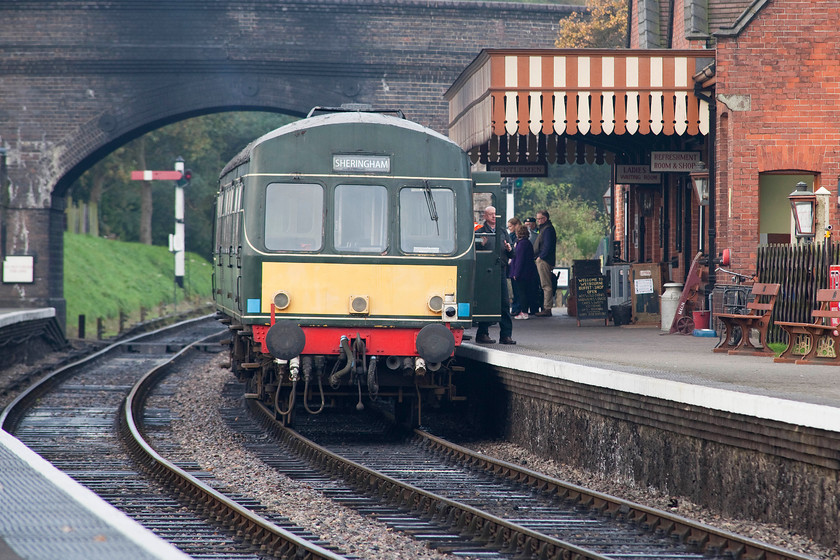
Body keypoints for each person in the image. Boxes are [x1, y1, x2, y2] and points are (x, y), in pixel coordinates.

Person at [475, 206, 515, 345]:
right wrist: (481, 245)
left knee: (504, 302)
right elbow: (474, 251)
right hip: (486, 271)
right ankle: (482, 333)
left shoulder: (503, 231)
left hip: (501, 270)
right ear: (485, 216)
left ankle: (506, 335)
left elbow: (512, 253)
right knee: (486, 301)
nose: (493, 216)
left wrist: (510, 249)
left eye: (495, 214)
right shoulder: (479, 232)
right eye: (490, 214)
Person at [509, 224, 539, 320]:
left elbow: (519, 260)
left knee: (522, 293)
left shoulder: (521, 244)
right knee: (526, 292)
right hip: (528, 273)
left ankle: (524, 312)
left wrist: (516, 273)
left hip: (522, 274)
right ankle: (524, 311)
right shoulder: (527, 243)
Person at [532, 209, 557, 316]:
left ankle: (547, 308)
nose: (538, 221)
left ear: (545, 218)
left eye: (539, 219)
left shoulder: (547, 230)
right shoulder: (545, 229)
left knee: (546, 284)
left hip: (544, 260)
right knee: (545, 284)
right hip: (544, 259)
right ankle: (546, 307)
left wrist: (540, 257)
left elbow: (547, 246)